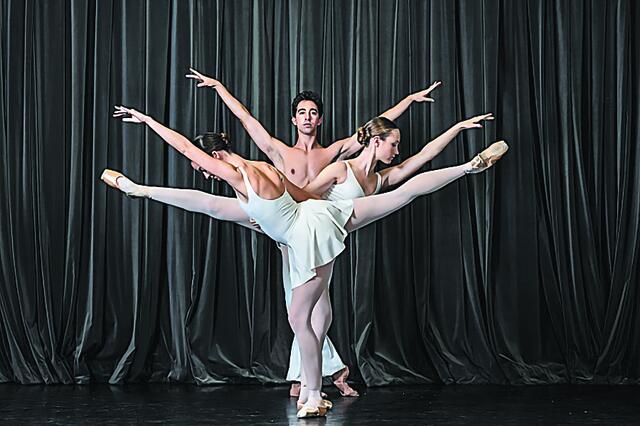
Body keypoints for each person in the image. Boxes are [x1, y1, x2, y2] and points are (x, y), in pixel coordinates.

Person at [104, 106, 508, 418]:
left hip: (307, 233)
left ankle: (313, 394)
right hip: (319, 218)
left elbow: (186, 151)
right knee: (400, 197)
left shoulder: (238, 174)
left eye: (201, 163)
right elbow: (238, 202)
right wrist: (141, 189)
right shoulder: (261, 169)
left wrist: (148, 121)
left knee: (300, 318)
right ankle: (467, 167)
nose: (198, 168)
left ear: (214, 155)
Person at [184, 67, 441, 398]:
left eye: (313, 112)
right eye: (302, 112)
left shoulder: (331, 153)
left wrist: (408, 101)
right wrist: (219, 87)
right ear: (294, 120)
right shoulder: (280, 151)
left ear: (320, 119)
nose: (307, 117)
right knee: (298, 307)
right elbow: (247, 120)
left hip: (319, 232)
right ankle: (314, 376)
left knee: (316, 309)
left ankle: (312, 378)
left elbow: (374, 129)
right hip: (287, 232)